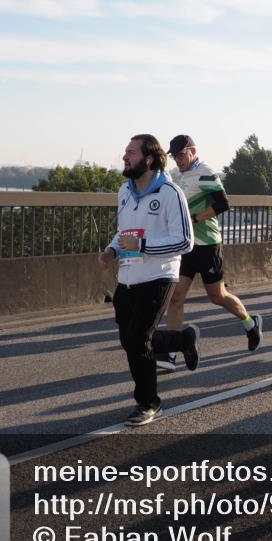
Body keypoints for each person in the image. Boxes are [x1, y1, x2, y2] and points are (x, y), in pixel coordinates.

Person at [99, 134, 200, 426]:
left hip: (159, 276)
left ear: (149, 158)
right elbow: (125, 231)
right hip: (128, 276)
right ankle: (182, 339)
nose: (124, 156)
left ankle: (148, 402)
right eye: (125, 151)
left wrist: (144, 247)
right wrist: (112, 249)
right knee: (129, 338)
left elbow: (185, 241)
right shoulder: (124, 192)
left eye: (130, 152)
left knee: (137, 338)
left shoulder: (170, 193)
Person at [162, 135, 262, 365]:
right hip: (186, 245)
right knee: (176, 296)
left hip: (207, 245)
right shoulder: (178, 175)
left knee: (217, 296)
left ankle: (250, 323)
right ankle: (171, 352)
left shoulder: (205, 172)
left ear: (193, 151)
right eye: (174, 156)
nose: (177, 159)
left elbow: (223, 203)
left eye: (181, 154)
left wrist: (195, 218)